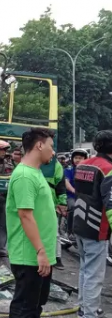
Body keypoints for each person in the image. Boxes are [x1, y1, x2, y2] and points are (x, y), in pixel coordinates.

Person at [6, 127, 56, 317]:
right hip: (31, 255)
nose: (52, 151)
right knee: (25, 309)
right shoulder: (25, 176)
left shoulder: (35, 172)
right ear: (39, 145)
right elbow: (25, 215)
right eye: (50, 146)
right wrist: (40, 252)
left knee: (35, 306)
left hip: (41, 255)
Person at [73, 131, 112, 318]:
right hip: (97, 228)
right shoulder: (107, 169)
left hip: (79, 224)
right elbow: (111, 204)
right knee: (94, 275)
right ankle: (89, 314)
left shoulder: (83, 165)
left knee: (84, 269)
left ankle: (83, 307)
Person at [45, 160, 67, 270]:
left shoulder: (56, 165)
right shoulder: (31, 162)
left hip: (51, 203)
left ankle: (57, 257)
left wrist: (62, 203)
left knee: (55, 232)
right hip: (33, 202)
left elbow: (61, 185)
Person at [64, 149, 88, 244]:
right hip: (71, 196)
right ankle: (70, 232)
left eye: (80, 158)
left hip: (84, 196)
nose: (78, 160)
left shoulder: (89, 171)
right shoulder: (69, 170)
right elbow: (66, 182)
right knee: (74, 207)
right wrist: (74, 191)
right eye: (76, 158)